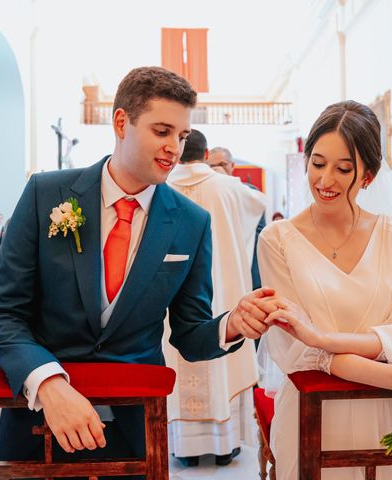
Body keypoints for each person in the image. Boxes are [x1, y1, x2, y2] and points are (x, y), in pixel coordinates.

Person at [0, 66, 272, 476]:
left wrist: (233, 324)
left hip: (134, 423)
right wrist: (50, 386)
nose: (174, 147)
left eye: (182, 136)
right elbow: (2, 313)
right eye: (162, 131)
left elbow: (189, 334)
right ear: (121, 122)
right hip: (39, 419)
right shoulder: (46, 195)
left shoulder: (190, 222)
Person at [253, 101, 392, 479]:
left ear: (368, 175)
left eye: (344, 168)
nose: (325, 180)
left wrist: (323, 337)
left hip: (377, 409)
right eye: (318, 164)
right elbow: (295, 350)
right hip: (309, 410)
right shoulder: (277, 239)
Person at [166, 130, 266, 466]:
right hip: (223, 296)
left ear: (179, 150)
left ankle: (184, 448)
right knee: (222, 358)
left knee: (175, 357)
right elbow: (259, 205)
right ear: (206, 153)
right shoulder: (228, 187)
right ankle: (226, 446)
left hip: (174, 298)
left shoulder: (160, 186)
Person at [208, 145, 266, 290]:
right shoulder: (208, 192)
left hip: (247, 261)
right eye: (212, 166)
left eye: (222, 164)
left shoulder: (249, 192)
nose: (217, 169)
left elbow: (259, 234)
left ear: (232, 165)